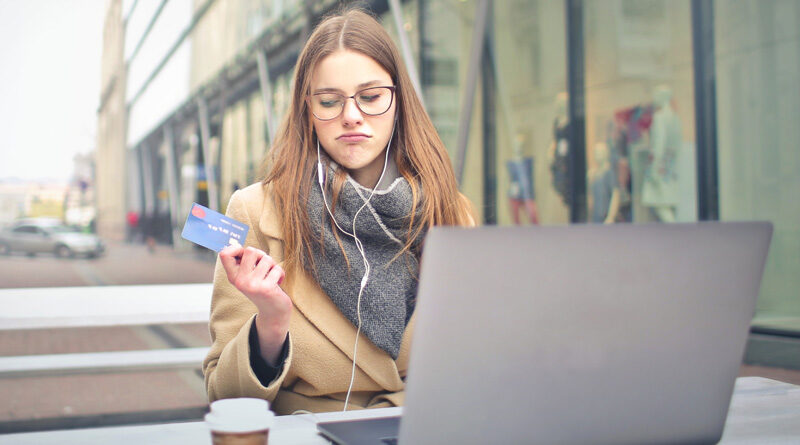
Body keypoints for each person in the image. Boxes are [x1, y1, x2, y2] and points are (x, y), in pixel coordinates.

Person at [203, 8, 474, 415]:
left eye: (370, 97)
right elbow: (224, 395)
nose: (351, 116)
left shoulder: (451, 212)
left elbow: (474, 356)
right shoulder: (254, 210)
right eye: (329, 101)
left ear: (399, 100)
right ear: (307, 110)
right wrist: (270, 326)